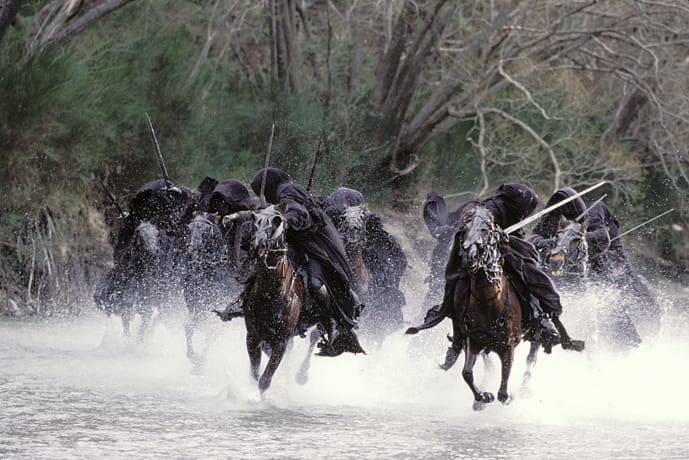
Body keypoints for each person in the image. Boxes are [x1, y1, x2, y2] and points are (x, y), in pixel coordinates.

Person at [411, 183, 583, 361]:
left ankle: (542, 319)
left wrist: (507, 239)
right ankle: (450, 340)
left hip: (494, 254)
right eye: (525, 208)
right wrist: (490, 236)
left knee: (529, 270)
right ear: (516, 203)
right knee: (455, 290)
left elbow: (517, 234)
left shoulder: (509, 214)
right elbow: (472, 229)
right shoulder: (482, 210)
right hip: (465, 257)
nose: (524, 213)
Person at [244, 168, 365, 357]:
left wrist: (283, 219)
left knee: (317, 282)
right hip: (292, 242)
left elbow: (297, 212)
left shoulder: (288, 191)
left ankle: (330, 322)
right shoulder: (283, 192)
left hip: (313, 244)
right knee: (262, 269)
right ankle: (243, 305)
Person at [325, 187, 407, 338]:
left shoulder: (360, 216)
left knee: (381, 279)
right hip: (337, 257)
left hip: (359, 256)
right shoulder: (332, 213)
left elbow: (383, 241)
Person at [421, 191, 465, 310]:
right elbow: (437, 232)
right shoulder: (431, 208)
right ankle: (427, 312)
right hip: (442, 253)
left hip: (450, 249)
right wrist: (448, 229)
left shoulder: (450, 218)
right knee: (437, 285)